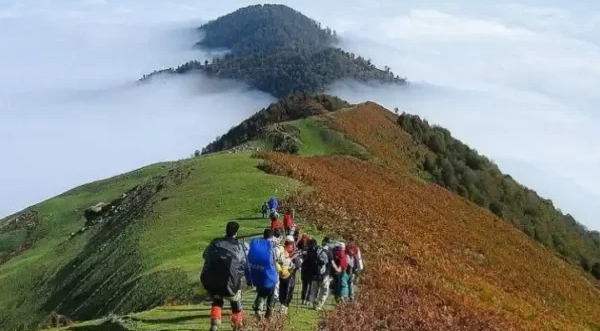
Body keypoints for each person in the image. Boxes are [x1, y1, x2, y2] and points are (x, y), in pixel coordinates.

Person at [200, 221, 247, 331]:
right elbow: (243, 264)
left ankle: (215, 324)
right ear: (236, 232)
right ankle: (237, 325)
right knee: (236, 302)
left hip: (214, 281)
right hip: (231, 283)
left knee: (217, 300)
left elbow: (204, 255)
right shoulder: (239, 247)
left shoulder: (215, 243)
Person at [248, 229, 279, 320]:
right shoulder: (271, 247)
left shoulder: (257, 243)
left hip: (256, 272)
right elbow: (275, 260)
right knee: (271, 293)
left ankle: (258, 309)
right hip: (268, 274)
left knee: (261, 291)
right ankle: (269, 313)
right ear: (272, 237)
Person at [277, 235, 301, 314]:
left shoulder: (282, 250)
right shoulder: (293, 253)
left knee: (285, 291)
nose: (289, 245)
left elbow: (297, 265)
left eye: (290, 243)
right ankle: (284, 306)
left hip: (284, 275)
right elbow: (297, 265)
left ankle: (283, 306)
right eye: (288, 243)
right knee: (287, 291)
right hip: (287, 275)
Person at [307, 240, 331, 311]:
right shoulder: (324, 252)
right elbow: (328, 263)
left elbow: (308, 265)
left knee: (314, 290)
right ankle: (319, 305)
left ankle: (313, 302)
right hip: (323, 275)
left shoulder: (310, 253)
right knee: (324, 291)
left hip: (314, 275)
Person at [345, 235, 364, 301]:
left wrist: (358, 268)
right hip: (350, 267)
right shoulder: (352, 248)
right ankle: (349, 296)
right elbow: (358, 259)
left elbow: (358, 259)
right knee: (349, 281)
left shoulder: (351, 248)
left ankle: (350, 296)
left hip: (351, 267)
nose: (350, 242)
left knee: (349, 282)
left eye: (351, 240)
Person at [299, 238, 315, 305]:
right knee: (310, 286)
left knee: (304, 286)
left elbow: (302, 260)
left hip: (304, 270)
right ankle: (307, 300)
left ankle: (303, 299)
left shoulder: (305, 251)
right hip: (310, 271)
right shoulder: (314, 252)